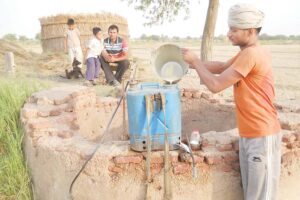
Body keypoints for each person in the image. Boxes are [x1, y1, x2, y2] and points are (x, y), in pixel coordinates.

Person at [182, 4, 281, 200]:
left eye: (234, 30)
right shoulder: (246, 52)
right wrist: (185, 64)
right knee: (251, 195)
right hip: (250, 135)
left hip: (262, 135)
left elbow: (216, 85)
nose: (228, 34)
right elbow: (220, 67)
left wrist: (195, 62)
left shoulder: (253, 54)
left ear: (251, 31)